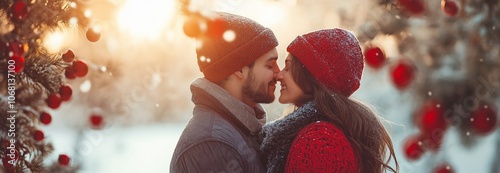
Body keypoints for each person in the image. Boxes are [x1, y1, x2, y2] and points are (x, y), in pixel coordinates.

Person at [260, 28, 399, 173]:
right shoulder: (320, 132)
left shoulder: (321, 142)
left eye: (288, 68)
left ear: (310, 75)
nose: (279, 75)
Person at [170, 12, 280, 173]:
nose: (279, 73)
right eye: (269, 66)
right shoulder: (212, 144)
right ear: (240, 70)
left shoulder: (238, 130)